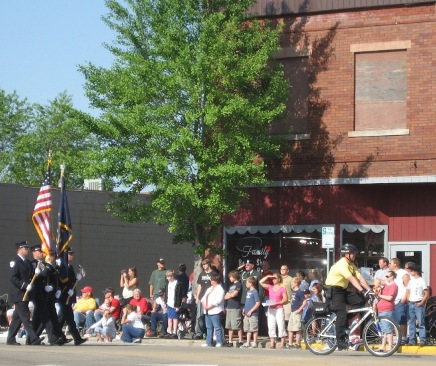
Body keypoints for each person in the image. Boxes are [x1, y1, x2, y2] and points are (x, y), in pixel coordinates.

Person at [325, 243, 371, 351]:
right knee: (341, 313)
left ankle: (344, 322)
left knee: (360, 300)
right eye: (353, 253)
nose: (355, 255)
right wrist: (361, 290)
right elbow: (352, 279)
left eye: (355, 253)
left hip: (342, 290)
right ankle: (340, 342)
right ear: (347, 254)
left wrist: (370, 291)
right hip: (334, 291)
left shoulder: (351, 265)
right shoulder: (341, 264)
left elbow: (360, 278)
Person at [7, 241, 43, 346]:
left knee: (17, 319)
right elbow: (13, 278)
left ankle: (10, 339)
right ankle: (34, 338)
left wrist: (35, 273)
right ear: (19, 249)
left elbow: (29, 276)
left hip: (26, 294)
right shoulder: (15, 261)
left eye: (27, 248)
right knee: (25, 316)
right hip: (19, 293)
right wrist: (24, 285)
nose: (27, 250)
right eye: (25, 248)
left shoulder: (27, 262)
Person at [28, 245, 64, 346]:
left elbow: (51, 277)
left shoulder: (44, 264)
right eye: (40, 251)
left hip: (45, 294)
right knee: (45, 316)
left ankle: (31, 339)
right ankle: (52, 338)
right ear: (34, 253)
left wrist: (55, 267)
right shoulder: (33, 264)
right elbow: (39, 277)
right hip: (36, 293)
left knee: (38, 318)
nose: (42, 253)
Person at [56, 247, 88, 346]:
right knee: (69, 318)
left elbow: (71, 281)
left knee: (62, 319)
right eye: (70, 254)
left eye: (72, 254)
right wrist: (66, 290)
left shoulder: (70, 266)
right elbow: (61, 281)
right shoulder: (63, 266)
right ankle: (75, 338)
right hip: (64, 296)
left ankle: (59, 336)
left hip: (69, 296)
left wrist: (78, 277)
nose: (71, 256)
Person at [259, 273, 288, 349]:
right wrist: (268, 276)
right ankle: (272, 342)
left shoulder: (282, 288)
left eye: (275, 278)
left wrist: (277, 302)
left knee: (281, 324)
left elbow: (285, 299)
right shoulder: (270, 287)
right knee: (271, 325)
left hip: (278, 308)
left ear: (279, 279)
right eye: (273, 278)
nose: (273, 279)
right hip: (271, 308)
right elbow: (261, 282)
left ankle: (282, 342)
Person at [406, 262, 429, 346]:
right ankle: (412, 340)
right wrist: (408, 298)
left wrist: (422, 302)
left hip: (418, 303)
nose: (410, 272)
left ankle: (422, 339)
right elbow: (407, 290)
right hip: (411, 303)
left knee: (421, 322)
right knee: (411, 322)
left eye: (411, 271)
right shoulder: (411, 281)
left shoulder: (421, 280)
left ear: (415, 271)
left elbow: (426, 293)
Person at [193, 258, 217, 339]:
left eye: (205, 264)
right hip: (201, 297)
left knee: (209, 316)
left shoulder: (213, 274)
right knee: (199, 316)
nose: (203, 266)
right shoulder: (201, 274)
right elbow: (199, 286)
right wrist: (197, 297)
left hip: (210, 298)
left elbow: (216, 285)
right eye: (202, 265)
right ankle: (199, 333)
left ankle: (208, 333)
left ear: (208, 264)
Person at [375, 270, 398, 352]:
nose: (386, 278)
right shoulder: (385, 286)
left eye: (388, 276)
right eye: (386, 276)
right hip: (381, 309)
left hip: (387, 309)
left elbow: (390, 298)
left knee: (388, 329)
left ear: (392, 277)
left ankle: (390, 347)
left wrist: (380, 295)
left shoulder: (393, 286)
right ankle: (383, 346)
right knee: (384, 329)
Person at [389, 257, 410, 344]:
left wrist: (405, 298)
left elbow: (408, 286)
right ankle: (398, 337)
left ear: (395, 264)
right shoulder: (391, 274)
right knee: (394, 320)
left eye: (390, 263)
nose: (389, 265)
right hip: (393, 300)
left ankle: (404, 337)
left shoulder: (403, 273)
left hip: (401, 300)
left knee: (402, 319)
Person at [200, 273, 225, 347]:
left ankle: (219, 342)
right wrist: (205, 306)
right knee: (209, 327)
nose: (211, 281)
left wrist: (209, 307)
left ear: (216, 280)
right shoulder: (209, 288)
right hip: (207, 311)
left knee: (217, 327)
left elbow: (218, 301)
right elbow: (203, 298)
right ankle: (209, 342)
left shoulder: (220, 289)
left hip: (215, 311)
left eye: (212, 280)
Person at [285, 277, 307, 350]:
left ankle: (298, 344)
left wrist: (299, 310)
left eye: (292, 283)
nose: (291, 284)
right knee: (290, 328)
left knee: (297, 329)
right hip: (292, 312)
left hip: (297, 312)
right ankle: (290, 343)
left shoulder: (300, 292)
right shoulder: (293, 292)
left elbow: (304, 302)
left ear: (296, 283)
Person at [224, 270, 243, 347]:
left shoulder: (238, 285)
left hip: (235, 306)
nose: (229, 278)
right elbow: (225, 296)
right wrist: (229, 295)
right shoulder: (231, 286)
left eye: (230, 277)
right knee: (229, 325)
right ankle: (230, 341)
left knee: (237, 324)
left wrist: (230, 295)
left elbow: (234, 294)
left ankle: (240, 340)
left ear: (234, 276)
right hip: (229, 306)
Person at [241, 276, 261, 348]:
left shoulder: (255, 292)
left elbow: (258, 303)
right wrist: (244, 309)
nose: (246, 284)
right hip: (247, 313)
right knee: (248, 329)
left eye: (247, 282)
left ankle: (254, 342)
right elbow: (247, 302)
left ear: (251, 283)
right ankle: (248, 342)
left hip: (253, 314)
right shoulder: (248, 292)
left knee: (254, 328)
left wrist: (251, 311)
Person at [164, 269, 183, 338]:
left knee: (175, 318)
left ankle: (175, 332)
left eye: (168, 276)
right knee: (169, 318)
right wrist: (165, 302)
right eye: (167, 277)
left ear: (172, 276)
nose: (167, 278)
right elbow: (166, 294)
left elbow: (179, 296)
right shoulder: (168, 283)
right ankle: (169, 331)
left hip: (175, 304)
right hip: (169, 303)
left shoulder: (178, 284)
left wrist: (177, 306)